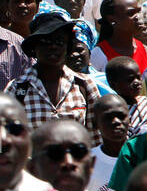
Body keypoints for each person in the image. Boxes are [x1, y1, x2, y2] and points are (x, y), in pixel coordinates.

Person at [5, 11, 102, 145]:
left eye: (59, 41)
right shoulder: (17, 88)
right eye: (45, 41)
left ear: (67, 47)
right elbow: (4, 137)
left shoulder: (84, 85)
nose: (53, 47)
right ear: (34, 47)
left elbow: (95, 139)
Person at [29, 119, 98, 191]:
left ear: (92, 164)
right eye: (55, 153)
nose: (68, 162)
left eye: (78, 152)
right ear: (32, 168)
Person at [89, 93, 130, 191]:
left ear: (129, 118)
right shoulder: (88, 161)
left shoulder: (141, 155)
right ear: (95, 123)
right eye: (108, 117)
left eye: (121, 116)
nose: (116, 121)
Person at [104, 56, 147, 138]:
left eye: (138, 77)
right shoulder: (114, 112)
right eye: (130, 79)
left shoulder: (146, 103)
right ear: (113, 84)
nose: (137, 82)